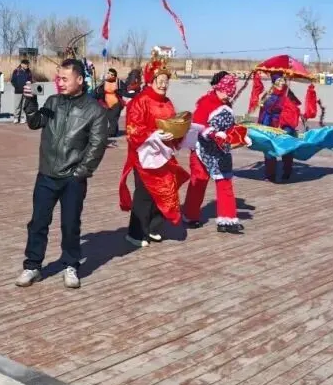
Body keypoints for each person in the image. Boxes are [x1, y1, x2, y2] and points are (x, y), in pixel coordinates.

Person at [15, 59, 108, 290]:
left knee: (70, 224)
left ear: (80, 79)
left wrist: (80, 173)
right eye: (59, 78)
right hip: (46, 174)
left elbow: (97, 146)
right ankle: (33, 265)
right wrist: (30, 101)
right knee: (38, 222)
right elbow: (35, 122)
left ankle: (70, 265)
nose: (61, 83)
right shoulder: (53, 102)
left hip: (72, 179)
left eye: (65, 79)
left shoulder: (94, 110)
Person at [119, 64, 189, 248]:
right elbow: (132, 128)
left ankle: (152, 227)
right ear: (151, 81)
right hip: (144, 155)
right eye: (160, 81)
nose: (164, 85)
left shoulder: (168, 102)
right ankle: (135, 233)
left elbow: (173, 123)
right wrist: (153, 134)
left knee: (166, 188)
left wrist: (176, 134)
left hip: (163, 154)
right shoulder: (140, 101)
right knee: (144, 193)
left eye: (166, 81)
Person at [183, 72, 248, 234]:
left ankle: (227, 219)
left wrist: (240, 136)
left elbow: (230, 127)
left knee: (225, 180)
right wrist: (212, 133)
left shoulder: (227, 105)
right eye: (226, 92)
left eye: (231, 93)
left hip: (221, 150)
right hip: (202, 149)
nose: (228, 96)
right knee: (199, 181)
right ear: (218, 88)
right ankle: (190, 215)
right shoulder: (206, 102)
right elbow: (197, 124)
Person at [98, 67, 123, 138]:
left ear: (114, 76)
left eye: (111, 74)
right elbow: (99, 90)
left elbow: (124, 90)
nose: (109, 75)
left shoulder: (118, 82)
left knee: (113, 117)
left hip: (116, 102)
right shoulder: (104, 82)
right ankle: (115, 131)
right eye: (108, 73)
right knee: (110, 118)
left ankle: (111, 132)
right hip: (107, 103)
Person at [9, 59, 32, 124]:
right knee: (17, 105)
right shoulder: (16, 71)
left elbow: (30, 79)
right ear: (22, 64)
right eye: (26, 64)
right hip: (18, 91)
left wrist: (30, 82)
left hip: (26, 90)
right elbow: (13, 81)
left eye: (28, 64)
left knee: (24, 105)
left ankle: (22, 117)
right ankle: (16, 117)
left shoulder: (29, 71)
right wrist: (17, 87)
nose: (27, 66)